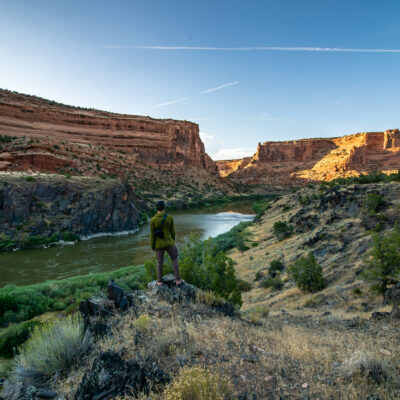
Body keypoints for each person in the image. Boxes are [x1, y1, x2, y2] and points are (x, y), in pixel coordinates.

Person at [150, 200, 183, 286]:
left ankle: (159, 281)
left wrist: (153, 246)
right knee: (174, 259)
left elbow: (152, 235)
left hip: (158, 245)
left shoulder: (153, 220)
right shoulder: (169, 218)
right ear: (164, 207)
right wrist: (172, 241)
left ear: (157, 208)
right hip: (169, 243)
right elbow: (173, 232)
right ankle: (178, 280)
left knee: (159, 262)